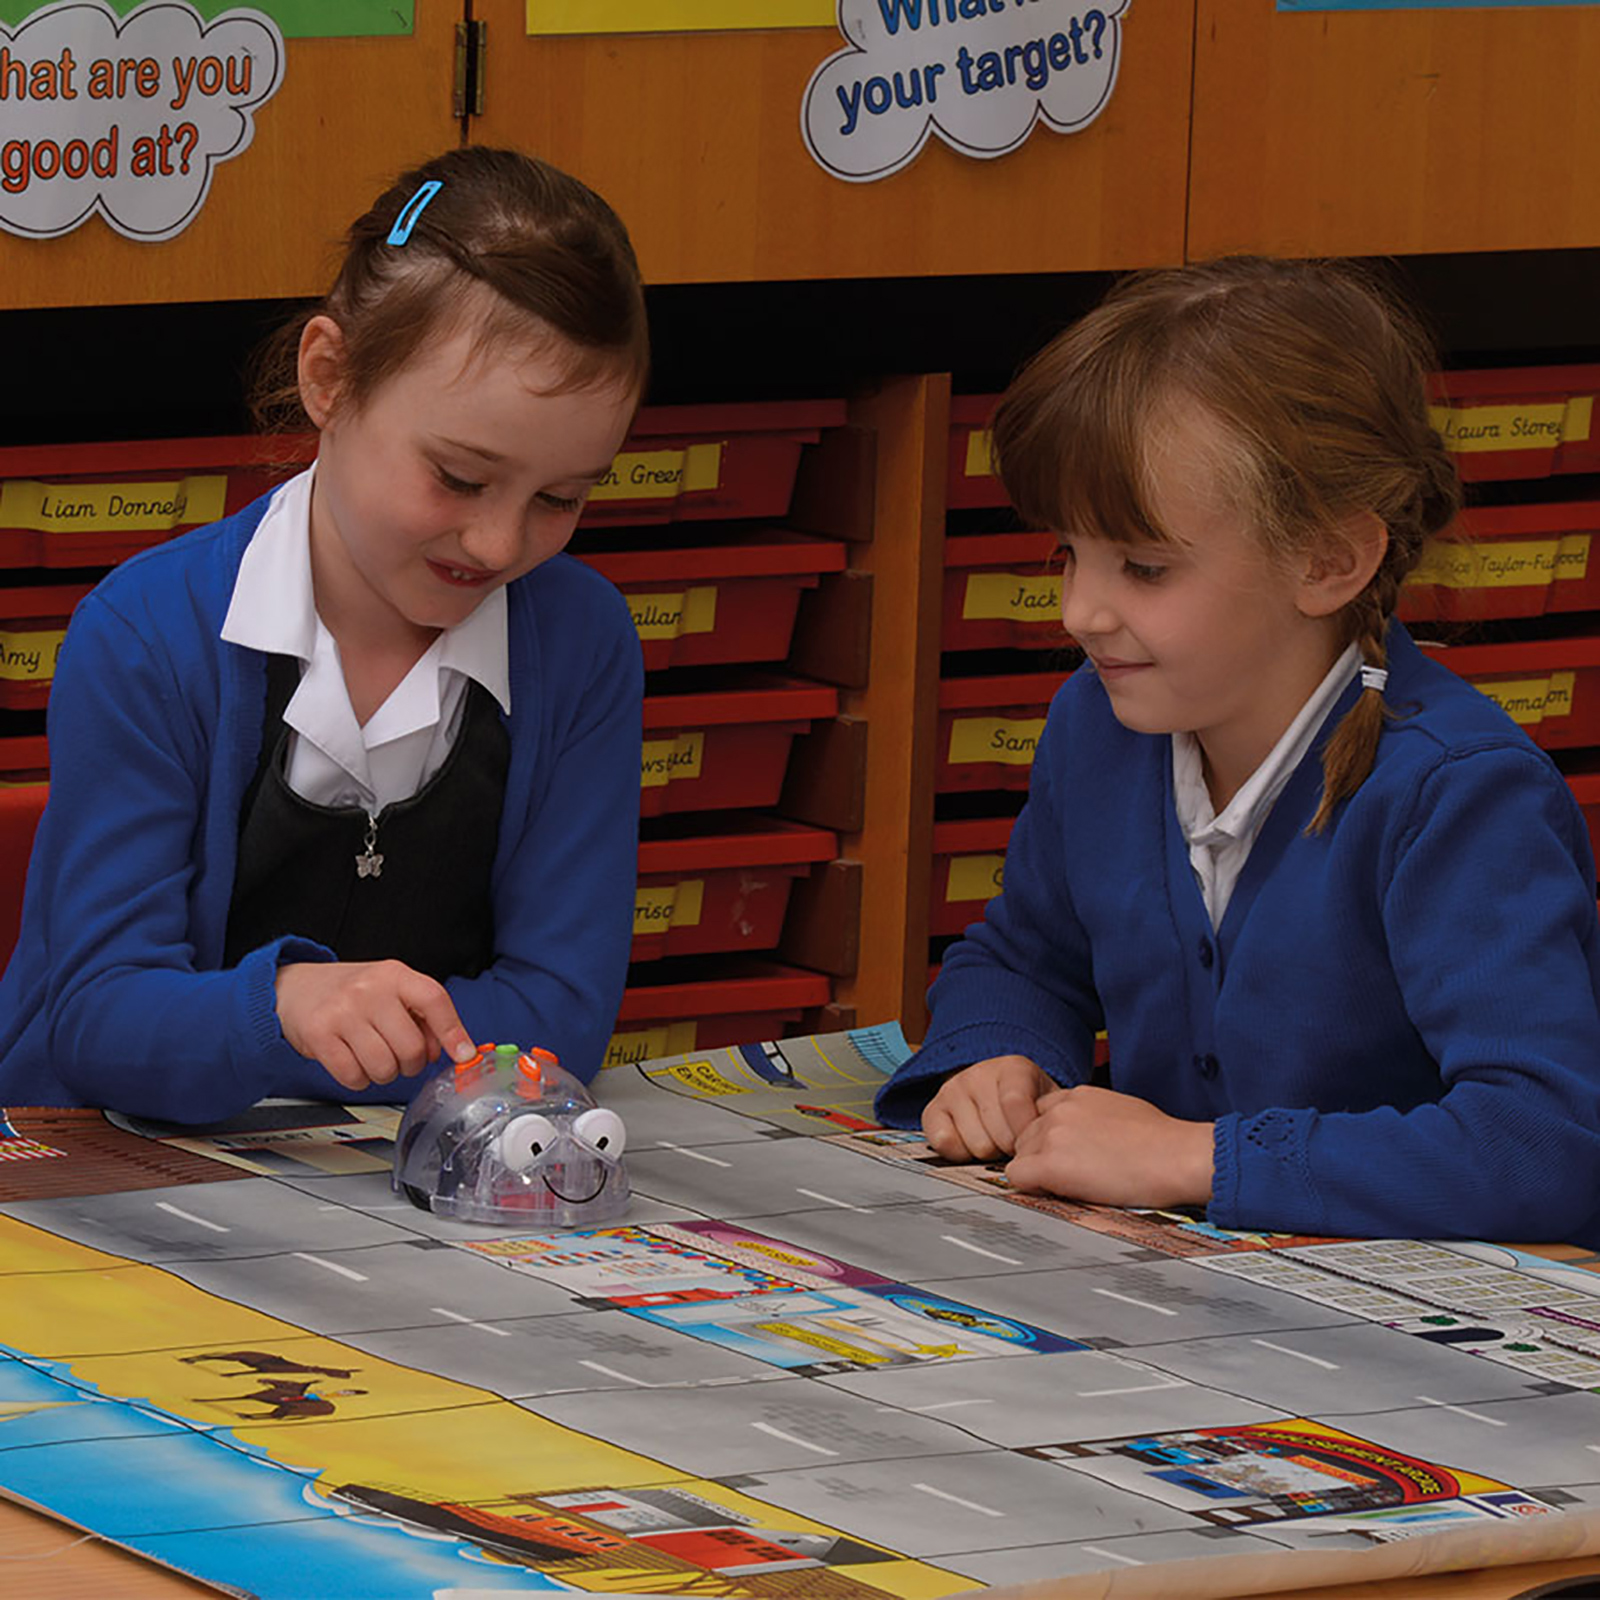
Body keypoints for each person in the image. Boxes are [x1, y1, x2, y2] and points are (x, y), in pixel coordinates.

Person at [877, 257, 1600, 1245]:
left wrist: (1198, 1158)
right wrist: (995, 1055)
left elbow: (1545, 1144)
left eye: (1143, 567)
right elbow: (1023, 957)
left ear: (1329, 560)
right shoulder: (1098, 725)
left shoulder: (1459, 795)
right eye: (1068, 554)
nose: (1080, 611)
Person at [0, 147, 650, 1123]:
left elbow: (561, 1017)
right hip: (100, 1160)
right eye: (460, 477)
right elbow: (96, 1019)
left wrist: (277, 1040)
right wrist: (282, 1011)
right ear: (330, 379)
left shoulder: (581, 642)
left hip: (394, 1166)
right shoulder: (147, 635)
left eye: (560, 498)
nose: (499, 543)